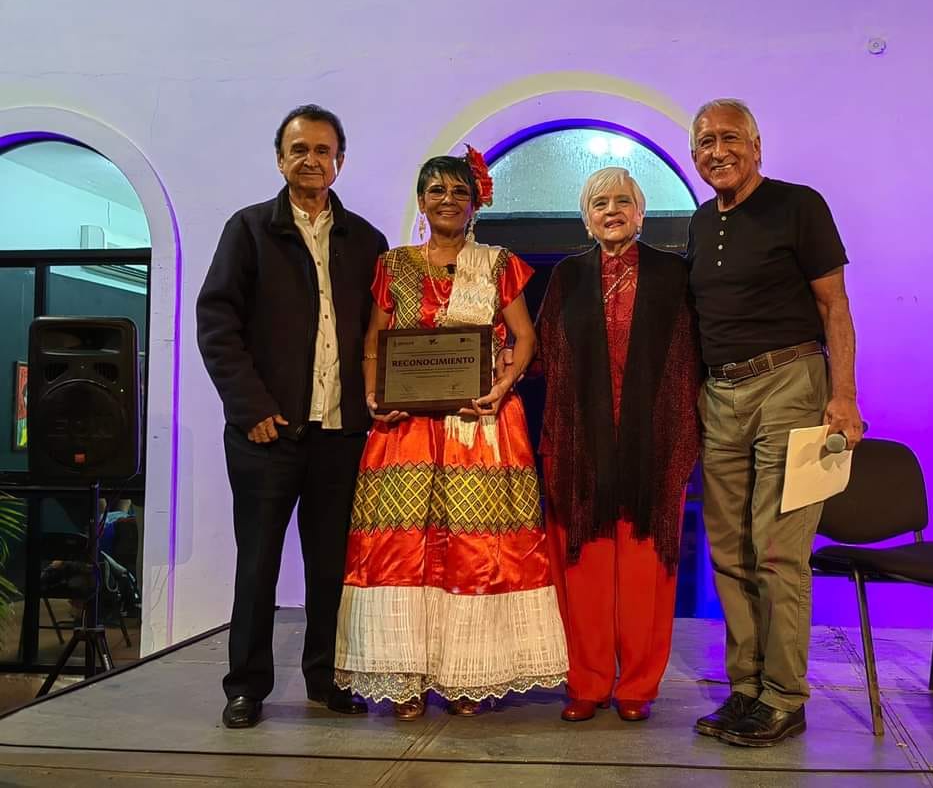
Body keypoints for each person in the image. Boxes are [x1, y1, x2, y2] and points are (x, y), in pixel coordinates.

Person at [333, 148, 568, 719]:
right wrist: (374, 395)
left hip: (479, 426)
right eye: (436, 190)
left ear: (474, 203)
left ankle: (469, 675)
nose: (447, 200)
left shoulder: (497, 264)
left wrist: (503, 385)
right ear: (421, 201)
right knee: (402, 548)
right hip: (405, 430)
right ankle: (405, 677)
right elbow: (374, 341)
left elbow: (525, 337)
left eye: (459, 191)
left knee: (474, 548)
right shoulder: (393, 265)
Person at [197, 104, 387, 728]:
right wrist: (250, 407)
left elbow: (382, 334)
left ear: (340, 161)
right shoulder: (249, 229)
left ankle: (327, 679)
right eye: (299, 149)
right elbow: (217, 323)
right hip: (267, 433)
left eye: (323, 150)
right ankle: (246, 686)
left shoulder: (367, 241)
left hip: (341, 434)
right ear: (280, 159)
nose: (312, 160)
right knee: (258, 565)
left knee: (333, 566)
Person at [687, 99, 864, 746]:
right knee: (729, 550)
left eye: (730, 137)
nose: (717, 150)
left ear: (757, 145)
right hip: (720, 394)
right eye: (705, 141)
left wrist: (844, 396)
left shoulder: (799, 205)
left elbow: (834, 306)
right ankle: (747, 688)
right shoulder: (700, 223)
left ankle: (785, 696)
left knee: (779, 549)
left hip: (791, 383)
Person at [536, 168, 700, 723]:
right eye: (600, 202)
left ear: (641, 213)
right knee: (584, 570)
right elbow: (545, 357)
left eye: (623, 201)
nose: (613, 210)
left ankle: (636, 687)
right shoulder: (567, 276)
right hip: (581, 447)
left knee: (644, 571)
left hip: (654, 442)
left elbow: (688, 360)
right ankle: (586, 682)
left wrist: (682, 438)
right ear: (587, 218)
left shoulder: (673, 275)